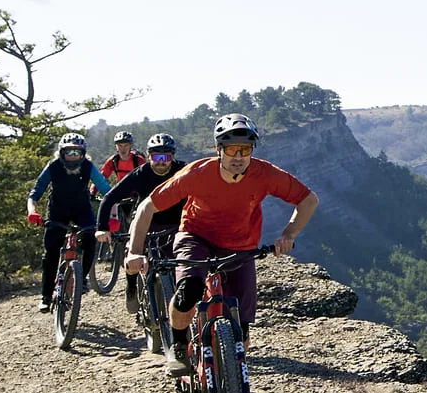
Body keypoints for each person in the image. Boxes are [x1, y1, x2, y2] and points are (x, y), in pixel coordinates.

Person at [126, 114, 318, 370]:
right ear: (218, 149)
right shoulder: (197, 173)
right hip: (196, 237)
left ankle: (230, 383)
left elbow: (308, 200)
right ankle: (179, 348)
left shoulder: (265, 174)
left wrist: (288, 234)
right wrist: (134, 252)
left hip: (240, 245)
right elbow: (147, 207)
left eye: (245, 149)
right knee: (189, 291)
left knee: (243, 333)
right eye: (230, 149)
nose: (238, 157)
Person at [94, 132, 188, 316]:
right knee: (133, 256)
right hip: (145, 223)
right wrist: (102, 228)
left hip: (175, 223)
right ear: (148, 157)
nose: (161, 162)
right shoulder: (140, 174)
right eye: (156, 157)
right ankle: (131, 289)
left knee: (180, 261)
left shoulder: (182, 171)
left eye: (166, 157)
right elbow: (110, 198)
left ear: (173, 157)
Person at [27, 131, 111, 312]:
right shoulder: (53, 166)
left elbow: (106, 189)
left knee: (90, 239)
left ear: (83, 154)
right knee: (50, 253)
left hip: (82, 209)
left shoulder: (88, 167)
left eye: (77, 153)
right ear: (61, 153)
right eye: (68, 153)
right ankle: (46, 295)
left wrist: (113, 212)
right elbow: (35, 193)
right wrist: (32, 211)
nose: (72, 158)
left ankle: (82, 280)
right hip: (57, 211)